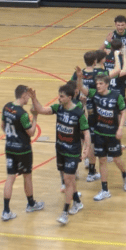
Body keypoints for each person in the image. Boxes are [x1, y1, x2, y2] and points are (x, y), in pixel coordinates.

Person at [29, 83, 90, 226]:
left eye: (61, 96)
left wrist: (86, 149)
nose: (59, 98)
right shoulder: (58, 109)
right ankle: (77, 202)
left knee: (68, 180)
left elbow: (86, 132)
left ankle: (64, 213)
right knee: (68, 180)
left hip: (72, 152)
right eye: (59, 95)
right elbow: (41, 109)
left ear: (69, 97)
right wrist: (34, 98)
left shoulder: (78, 113)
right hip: (60, 150)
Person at [78, 73, 126, 201]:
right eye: (97, 84)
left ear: (107, 84)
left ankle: (125, 174)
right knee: (101, 161)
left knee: (117, 159)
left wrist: (120, 128)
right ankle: (105, 190)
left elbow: (123, 112)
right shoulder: (94, 94)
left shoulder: (116, 96)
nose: (98, 86)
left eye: (101, 84)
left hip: (112, 134)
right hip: (99, 133)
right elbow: (81, 87)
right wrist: (79, 77)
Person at [1, 86, 44, 220]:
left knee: (10, 178)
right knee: (27, 176)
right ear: (24, 95)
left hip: (9, 147)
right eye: (28, 96)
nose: (29, 98)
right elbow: (31, 132)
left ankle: (6, 210)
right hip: (23, 149)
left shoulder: (7, 107)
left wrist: (12, 137)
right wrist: (35, 117)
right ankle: (31, 204)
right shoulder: (23, 114)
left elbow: (3, 126)